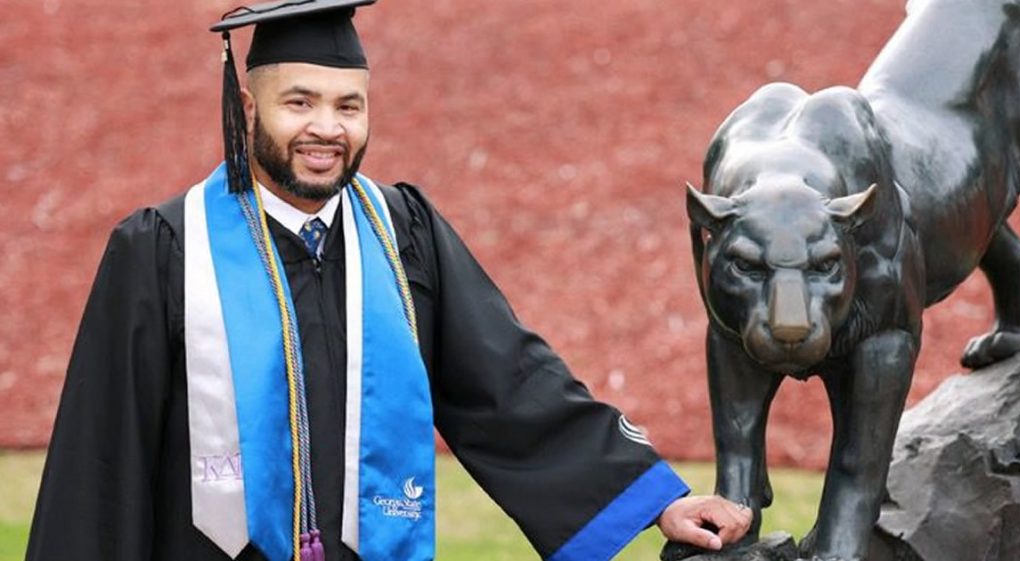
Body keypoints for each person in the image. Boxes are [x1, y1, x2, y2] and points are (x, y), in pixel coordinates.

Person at [26, 1, 752, 560]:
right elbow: (102, 456)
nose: (327, 128)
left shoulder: (402, 233)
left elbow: (507, 380)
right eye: (300, 102)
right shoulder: (165, 249)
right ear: (250, 108)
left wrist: (656, 498)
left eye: (348, 105)